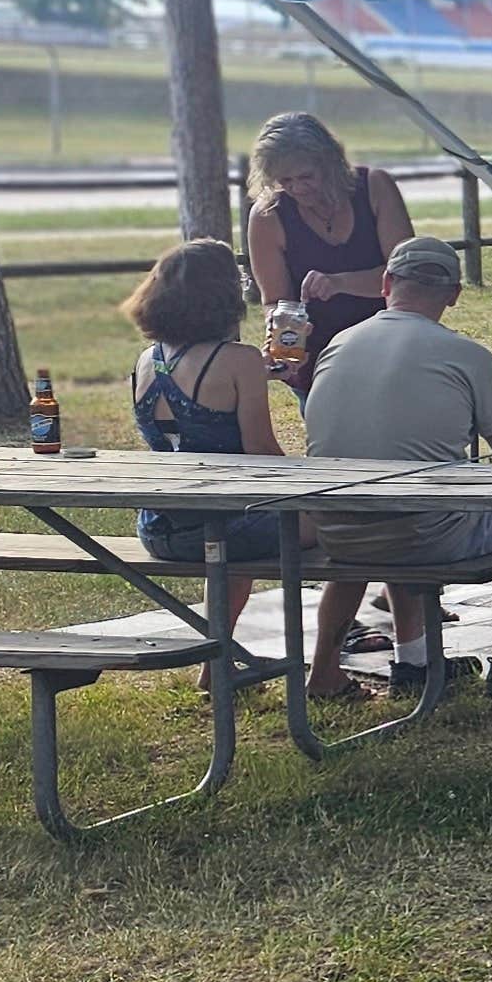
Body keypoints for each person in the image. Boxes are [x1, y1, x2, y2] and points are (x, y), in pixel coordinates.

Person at [300, 236, 492, 703]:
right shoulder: (466, 354)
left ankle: (406, 661)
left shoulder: (338, 344)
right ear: (454, 294)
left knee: (392, 494)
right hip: (426, 533)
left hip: (338, 529)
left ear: (386, 283)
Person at [120, 239, 282, 665]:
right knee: (345, 524)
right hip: (222, 525)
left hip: (158, 527)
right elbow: (262, 451)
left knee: (232, 542)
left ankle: (218, 660)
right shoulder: (240, 361)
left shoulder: (146, 360)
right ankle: (359, 648)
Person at [244, 112, 414, 380]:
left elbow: (407, 279)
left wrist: (339, 283)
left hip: (387, 348)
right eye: (285, 181)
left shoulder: (375, 188)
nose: (297, 188)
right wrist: (280, 330)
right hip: (316, 360)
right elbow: (276, 301)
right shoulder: (268, 215)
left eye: (306, 176)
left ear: (330, 162)